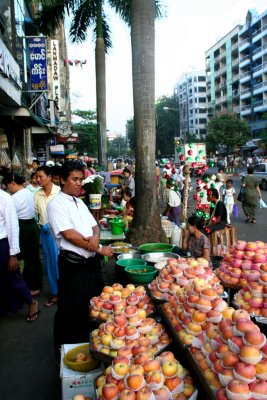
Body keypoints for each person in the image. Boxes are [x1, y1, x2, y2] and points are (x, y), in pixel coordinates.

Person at [46, 161, 113, 362]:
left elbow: (95, 226)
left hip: (91, 265)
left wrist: (95, 239)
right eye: (74, 179)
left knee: (94, 307)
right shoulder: (55, 205)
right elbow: (70, 235)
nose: (78, 184)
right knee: (69, 311)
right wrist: (99, 247)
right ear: (62, 179)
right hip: (73, 266)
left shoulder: (79, 202)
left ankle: (91, 350)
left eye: (81, 179)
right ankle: (65, 355)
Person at [0, 187, 40, 321]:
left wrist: (13, 254)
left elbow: (12, 226)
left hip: (3, 245)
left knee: (13, 278)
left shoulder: (5, 198)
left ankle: (31, 302)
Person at [3, 172, 43, 296]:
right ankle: (34, 285)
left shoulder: (14, 198)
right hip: (31, 226)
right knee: (33, 257)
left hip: (24, 228)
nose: (7, 188)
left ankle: (32, 287)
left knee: (27, 258)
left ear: (12, 183)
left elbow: (9, 217)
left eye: (7, 185)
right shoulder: (27, 192)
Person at [35, 166, 60, 307]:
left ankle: (66, 293)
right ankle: (56, 294)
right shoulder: (37, 194)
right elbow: (36, 213)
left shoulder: (59, 192)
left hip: (60, 234)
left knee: (61, 264)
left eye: (40, 177)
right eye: (37, 177)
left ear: (49, 177)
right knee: (50, 264)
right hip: (45, 233)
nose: (38, 179)